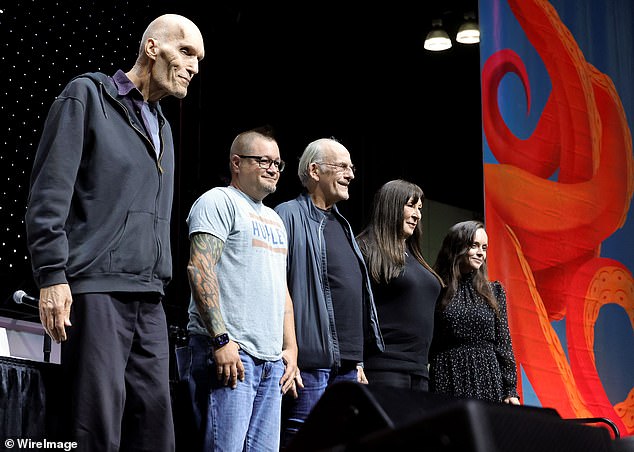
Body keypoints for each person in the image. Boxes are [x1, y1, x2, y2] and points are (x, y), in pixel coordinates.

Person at [24, 14, 204, 451]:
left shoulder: (163, 125)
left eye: (199, 59)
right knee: (96, 426)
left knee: (157, 430)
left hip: (150, 295)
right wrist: (52, 275)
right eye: (186, 52)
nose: (194, 66)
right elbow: (49, 195)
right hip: (97, 289)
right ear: (152, 48)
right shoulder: (87, 96)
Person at [181, 127, 301, 452]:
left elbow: (281, 290)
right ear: (237, 162)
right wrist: (221, 339)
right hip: (230, 354)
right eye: (263, 160)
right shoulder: (218, 201)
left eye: (278, 163)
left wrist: (291, 350)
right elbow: (199, 267)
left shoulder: (275, 220)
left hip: (270, 362)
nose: (273, 169)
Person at [274, 137, 384, 449]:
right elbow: (277, 285)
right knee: (303, 439)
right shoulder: (288, 215)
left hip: (346, 364)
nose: (351, 174)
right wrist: (289, 350)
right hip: (309, 361)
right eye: (342, 166)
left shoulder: (343, 224)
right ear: (314, 170)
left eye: (352, 167)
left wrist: (358, 360)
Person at [356, 179, 444, 391]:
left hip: (419, 370)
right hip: (384, 367)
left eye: (420, 208)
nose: (417, 215)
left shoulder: (414, 255)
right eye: (411, 206)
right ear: (392, 206)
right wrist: (356, 361)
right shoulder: (366, 248)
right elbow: (353, 309)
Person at [429, 220, 520, 405]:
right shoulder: (437, 288)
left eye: (484, 247)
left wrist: (511, 389)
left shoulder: (494, 291)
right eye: (474, 245)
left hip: (488, 378)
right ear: (457, 247)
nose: (481, 253)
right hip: (448, 376)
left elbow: (504, 344)